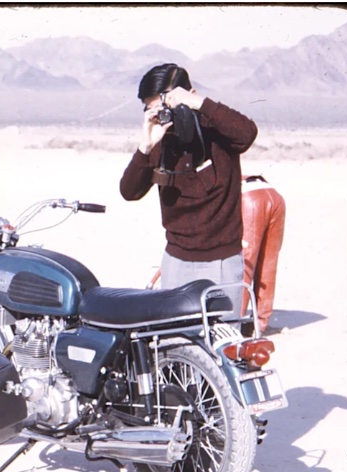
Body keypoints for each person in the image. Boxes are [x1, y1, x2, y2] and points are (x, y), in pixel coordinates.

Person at [119, 63, 258, 317]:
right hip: (177, 262)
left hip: (223, 262)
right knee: (174, 345)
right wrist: (145, 147)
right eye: (153, 108)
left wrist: (201, 104)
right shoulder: (161, 140)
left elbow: (247, 133)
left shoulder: (217, 130)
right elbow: (129, 192)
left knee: (223, 345)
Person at [240, 174, 286, 335]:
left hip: (248, 197)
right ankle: (261, 324)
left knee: (244, 264)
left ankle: (235, 323)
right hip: (274, 195)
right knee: (268, 263)